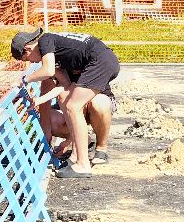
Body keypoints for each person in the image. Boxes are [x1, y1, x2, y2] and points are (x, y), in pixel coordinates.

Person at [10, 28, 120, 176]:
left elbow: (47, 71)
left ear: (28, 49)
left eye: (28, 59)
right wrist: (38, 100)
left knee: (72, 106)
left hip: (101, 61)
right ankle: (75, 156)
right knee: (68, 101)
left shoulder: (45, 41)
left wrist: (24, 80)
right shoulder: (56, 52)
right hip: (101, 60)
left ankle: (83, 165)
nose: (34, 62)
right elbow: (63, 85)